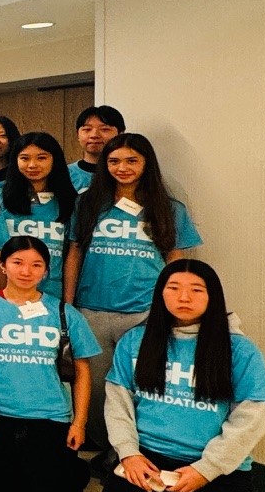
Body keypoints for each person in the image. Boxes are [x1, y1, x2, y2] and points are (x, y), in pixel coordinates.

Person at [97, 260, 265, 492]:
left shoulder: (241, 350)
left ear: (213, 296)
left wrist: (207, 469)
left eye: (196, 290)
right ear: (160, 294)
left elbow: (251, 417)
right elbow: (118, 403)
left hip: (212, 464)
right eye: (173, 288)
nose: (184, 297)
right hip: (149, 458)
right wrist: (129, 454)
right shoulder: (136, 341)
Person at [0, 237, 100, 492]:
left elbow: (82, 371)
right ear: (2, 265)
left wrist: (79, 423)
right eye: (18, 263)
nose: (26, 271)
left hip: (48, 415)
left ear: (46, 271)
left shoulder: (64, 313)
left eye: (36, 265)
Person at [65, 133, 203, 385]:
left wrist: (172, 305)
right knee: (94, 387)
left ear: (146, 163)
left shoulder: (170, 208)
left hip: (146, 310)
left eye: (132, 161)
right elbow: (75, 252)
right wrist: (68, 304)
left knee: (142, 383)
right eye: (114, 161)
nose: (122, 168)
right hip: (93, 310)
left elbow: (175, 259)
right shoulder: (87, 203)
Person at [0, 132, 79, 298]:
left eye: (41, 158)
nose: (32, 165)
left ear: (54, 160)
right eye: (24, 158)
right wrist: (1, 299)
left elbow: (72, 254)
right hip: (10, 293)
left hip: (52, 293)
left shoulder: (69, 201)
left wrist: (67, 303)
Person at [69, 104, 125, 192]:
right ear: (77, 135)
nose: (94, 135)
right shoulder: (65, 174)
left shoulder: (127, 173)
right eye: (87, 129)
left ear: (120, 134)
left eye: (104, 129)